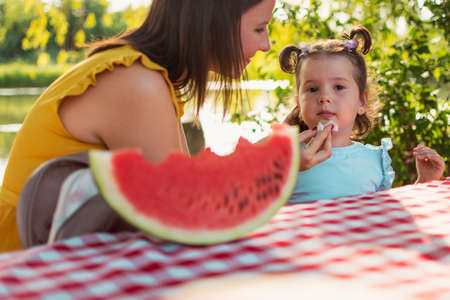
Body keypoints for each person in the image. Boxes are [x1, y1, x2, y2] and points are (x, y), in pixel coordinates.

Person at [0, 0, 276, 252]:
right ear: (211, 26)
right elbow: (181, 219)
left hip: (63, 251)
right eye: (260, 28)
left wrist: (266, 156)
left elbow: (188, 185)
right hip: (24, 260)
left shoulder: (151, 76)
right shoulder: (137, 83)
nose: (267, 45)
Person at [279, 25, 445, 203]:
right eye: (312, 89)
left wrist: (424, 182)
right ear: (298, 103)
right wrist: (283, 163)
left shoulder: (375, 160)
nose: (324, 97)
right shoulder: (284, 159)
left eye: (339, 87)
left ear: (362, 101)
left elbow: (386, 212)